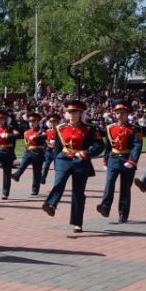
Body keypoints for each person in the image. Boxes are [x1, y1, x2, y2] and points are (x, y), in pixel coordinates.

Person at [41, 99, 105, 232]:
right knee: (59, 182)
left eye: (74, 112)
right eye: (69, 112)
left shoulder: (89, 128)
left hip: (81, 161)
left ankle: (77, 222)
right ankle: (51, 205)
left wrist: (87, 153)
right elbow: (57, 148)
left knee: (78, 192)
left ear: (80, 113)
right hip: (64, 159)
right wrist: (57, 161)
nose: (71, 114)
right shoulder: (60, 128)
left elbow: (100, 145)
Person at [96, 99, 142, 223]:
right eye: (117, 113)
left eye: (122, 113)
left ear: (127, 114)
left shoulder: (134, 129)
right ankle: (105, 207)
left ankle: (123, 213)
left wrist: (132, 160)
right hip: (114, 158)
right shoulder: (110, 128)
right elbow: (108, 146)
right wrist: (105, 160)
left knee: (125, 188)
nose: (119, 115)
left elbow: (137, 146)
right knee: (109, 183)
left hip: (127, 159)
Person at [10, 111, 47, 196]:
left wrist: (37, 136)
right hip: (28, 151)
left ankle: (35, 190)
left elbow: (45, 137)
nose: (31, 123)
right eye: (30, 121)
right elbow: (26, 143)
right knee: (23, 164)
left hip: (38, 152)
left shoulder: (41, 131)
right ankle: (17, 175)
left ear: (38, 122)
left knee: (37, 172)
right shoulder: (26, 132)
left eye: (34, 121)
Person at [0, 109, 18, 199]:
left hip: (7, 151)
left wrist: (8, 135)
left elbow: (17, 135)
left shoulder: (10, 128)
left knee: (7, 173)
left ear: (6, 119)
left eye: (2, 119)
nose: (0, 120)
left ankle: (5, 193)